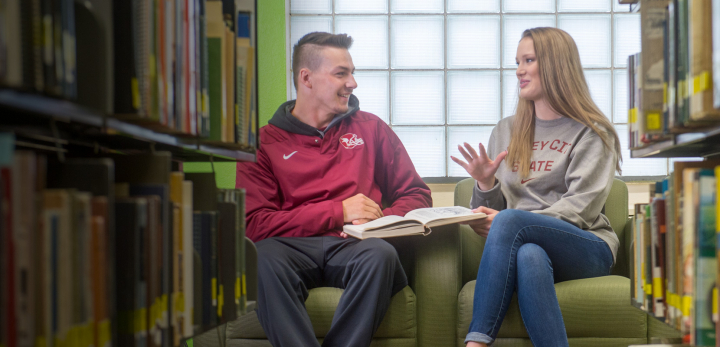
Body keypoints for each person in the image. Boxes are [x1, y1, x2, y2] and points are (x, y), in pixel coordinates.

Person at [236, 32, 432, 347]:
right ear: (307, 78)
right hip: (291, 248)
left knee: (381, 255)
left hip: (359, 246)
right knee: (260, 259)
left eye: (352, 73)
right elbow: (254, 223)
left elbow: (417, 195)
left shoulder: (372, 129)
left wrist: (379, 219)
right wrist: (336, 211)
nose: (353, 83)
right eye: (341, 73)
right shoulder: (262, 142)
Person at [450, 27, 623, 347]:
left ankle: (475, 343)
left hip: (586, 246)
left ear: (557, 65)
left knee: (513, 225)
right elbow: (499, 215)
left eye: (528, 60)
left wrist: (515, 222)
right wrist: (485, 182)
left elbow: (580, 208)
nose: (518, 70)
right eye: (517, 61)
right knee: (529, 255)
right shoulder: (505, 130)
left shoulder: (594, 132)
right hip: (522, 244)